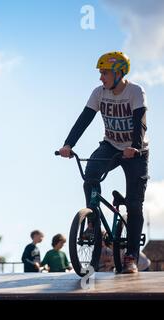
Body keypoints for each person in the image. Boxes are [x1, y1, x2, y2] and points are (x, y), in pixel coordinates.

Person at [58, 52, 149, 274]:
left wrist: (135, 147)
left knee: (135, 206)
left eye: (105, 73)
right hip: (110, 146)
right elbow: (84, 119)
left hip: (136, 152)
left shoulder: (135, 92)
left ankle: (130, 257)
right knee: (90, 174)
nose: (101, 78)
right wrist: (68, 145)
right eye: (100, 73)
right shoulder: (98, 93)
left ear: (119, 72)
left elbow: (140, 123)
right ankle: (92, 224)